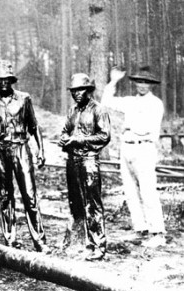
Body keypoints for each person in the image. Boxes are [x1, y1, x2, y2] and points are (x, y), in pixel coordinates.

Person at [0, 60, 49, 253]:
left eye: (7, 80)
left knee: (29, 195)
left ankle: (39, 240)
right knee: (4, 196)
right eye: (0, 80)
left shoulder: (24, 99)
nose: (3, 83)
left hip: (21, 149)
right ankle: (10, 238)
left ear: (12, 80)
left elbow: (34, 126)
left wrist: (41, 150)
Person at [101, 66, 166, 248]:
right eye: (139, 81)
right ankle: (141, 229)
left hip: (144, 147)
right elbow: (107, 101)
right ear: (135, 83)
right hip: (127, 148)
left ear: (151, 85)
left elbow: (146, 128)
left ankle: (158, 233)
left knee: (147, 191)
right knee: (130, 192)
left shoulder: (155, 103)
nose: (142, 85)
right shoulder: (130, 101)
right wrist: (113, 81)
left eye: (146, 82)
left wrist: (130, 127)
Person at [59, 73, 111, 261]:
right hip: (72, 161)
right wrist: (64, 139)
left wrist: (80, 140)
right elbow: (65, 131)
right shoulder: (72, 110)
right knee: (76, 203)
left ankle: (99, 245)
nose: (77, 94)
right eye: (74, 91)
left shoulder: (98, 110)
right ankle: (80, 242)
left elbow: (104, 136)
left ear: (89, 90)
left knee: (93, 203)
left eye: (81, 90)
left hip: (89, 160)